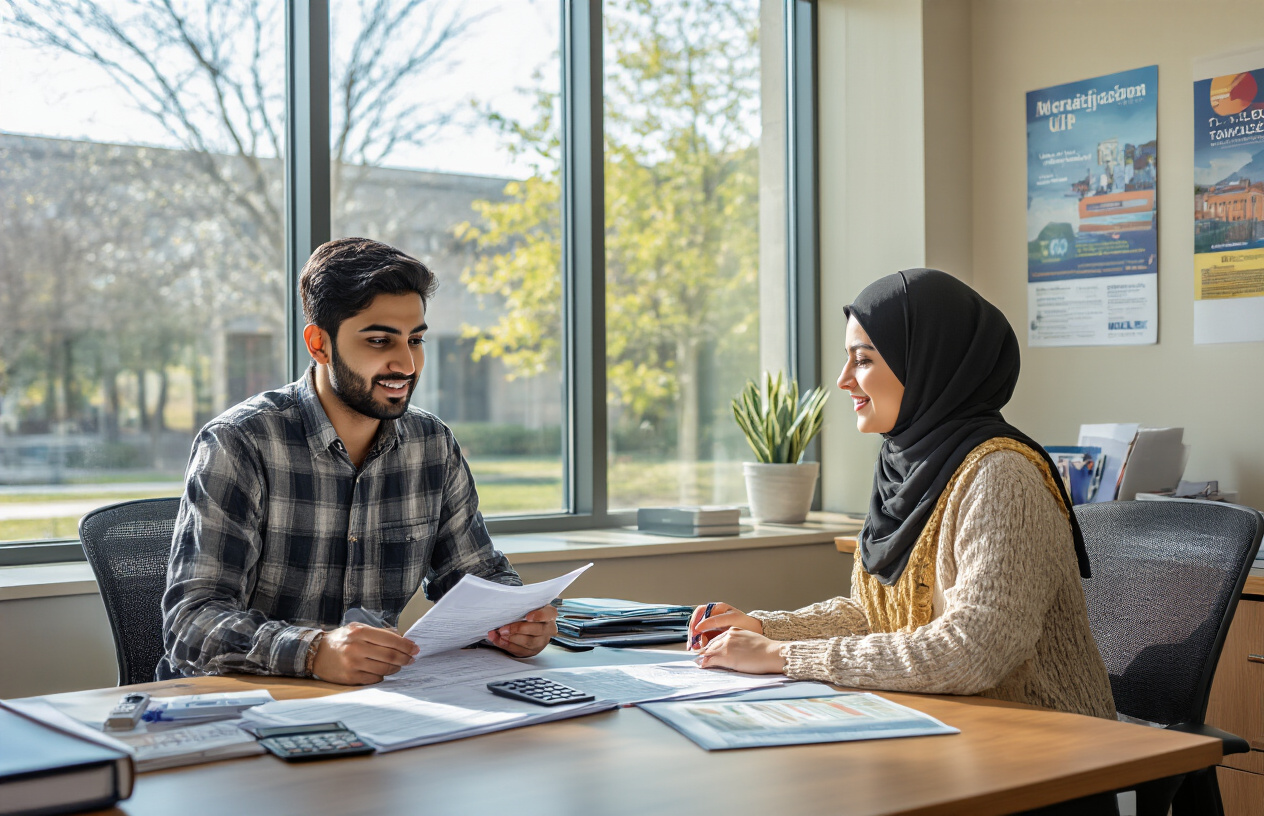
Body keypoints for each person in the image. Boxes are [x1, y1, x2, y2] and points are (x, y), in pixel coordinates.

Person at [689, 268, 1115, 720]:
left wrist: (782, 657)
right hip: (943, 728)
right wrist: (765, 627)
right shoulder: (904, 469)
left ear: (928, 362)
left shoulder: (1001, 476)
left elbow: (972, 651)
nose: (843, 379)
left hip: (1047, 745)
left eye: (864, 360)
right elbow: (872, 617)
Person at [160, 237, 557, 685]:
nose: (406, 364)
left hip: (378, 705)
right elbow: (190, 625)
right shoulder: (240, 442)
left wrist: (515, 621)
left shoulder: (432, 445)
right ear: (319, 345)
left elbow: (479, 578)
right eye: (379, 340)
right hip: (248, 707)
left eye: (415, 339)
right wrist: (314, 652)